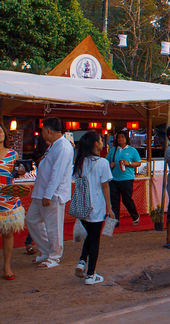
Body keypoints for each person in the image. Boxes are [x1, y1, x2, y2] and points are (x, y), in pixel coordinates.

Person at [27, 117, 74, 268]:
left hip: (52, 194)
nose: (41, 133)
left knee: (53, 226)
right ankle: (47, 250)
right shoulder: (54, 145)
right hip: (42, 192)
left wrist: (48, 194)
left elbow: (57, 173)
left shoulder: (63, 147)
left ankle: (54, 256)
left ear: (48, 131)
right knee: (32, 220)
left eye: (42, 130)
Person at [72, 131, 114, 285]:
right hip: (96, 207)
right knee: (94, 239)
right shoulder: (102, 163)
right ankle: (91, 274)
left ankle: (82, 261)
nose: (102, 142)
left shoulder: (80, 162)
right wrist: (110, 208)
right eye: (101, 140)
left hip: (82, 207)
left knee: (90, 235)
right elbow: (105, 186)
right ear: (96, 143)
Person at [0, 123, 27, 280]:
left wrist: (21, 172)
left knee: (8, 233)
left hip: (8, 198)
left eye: (1, 132)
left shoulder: (12, 154)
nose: (0, 135)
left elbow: (17, 175)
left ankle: (7, 266)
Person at [106, 131, 142, 225]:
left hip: (127, 179)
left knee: (126, 199)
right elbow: (106, 162)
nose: (120, 139)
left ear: (126, 139)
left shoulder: (132, 150)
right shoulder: (113, 150)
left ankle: (135, 215)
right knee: (114, 201)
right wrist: (110, 165)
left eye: (122, 137)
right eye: (118, 137)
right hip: (114, 179)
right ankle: (114, 221)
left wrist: (128, 164)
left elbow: (138, 162)